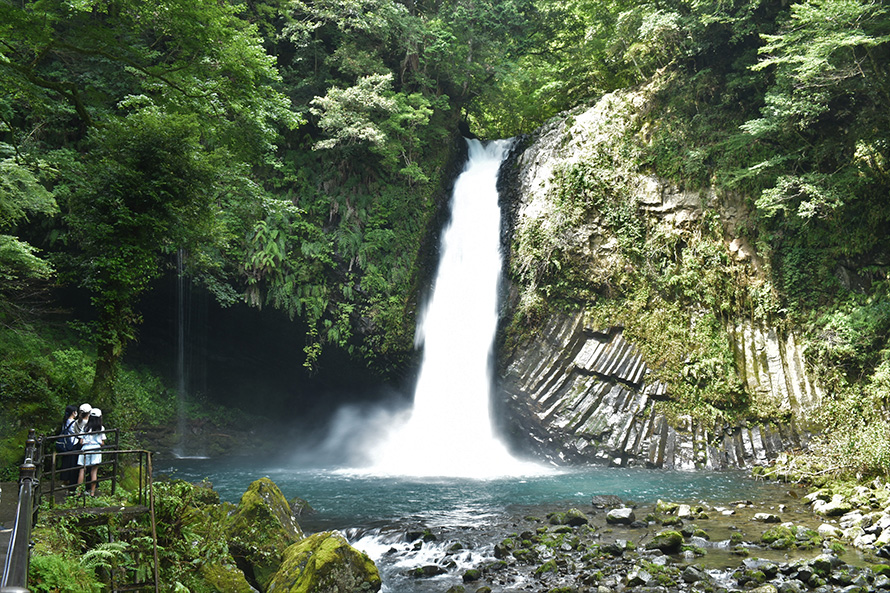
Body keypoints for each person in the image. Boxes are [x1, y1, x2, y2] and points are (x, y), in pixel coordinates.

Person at [77, 408, 106, 497]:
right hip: (96, 449)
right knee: (94, 471)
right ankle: (92, 492)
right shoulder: (101, 428)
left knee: (82, 470)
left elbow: (81, 441)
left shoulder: (85, 427)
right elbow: (102, 442)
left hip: (86, 448)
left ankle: (78, 492)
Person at [58, 405, 80, 486]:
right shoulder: (74, 423)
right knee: (72, 463)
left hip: (66, 444)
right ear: (74, 413)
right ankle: (71, 481)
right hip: (73, 444)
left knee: (65, 463)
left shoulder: (65, 421)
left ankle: (64, 480)